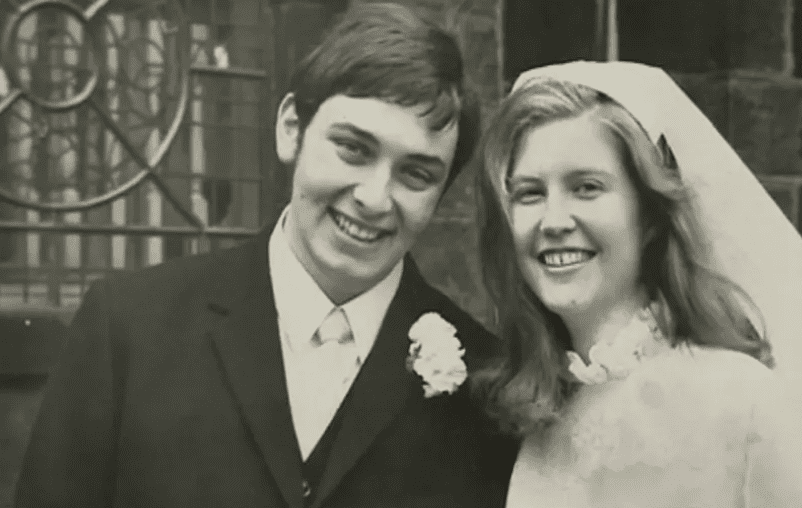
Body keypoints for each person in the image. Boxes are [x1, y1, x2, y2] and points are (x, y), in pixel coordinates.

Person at [15, 4, 518, 507]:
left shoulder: (486, 385)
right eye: (353, 149)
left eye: (416, 174)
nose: (374, 198)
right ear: (290, 129)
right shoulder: (128, 327)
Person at [472, 60, 802, 508]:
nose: (554, 220)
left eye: (587, 187)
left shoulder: (744, 404)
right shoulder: (526, 416)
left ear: (648, 215)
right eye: (529, 194)